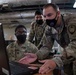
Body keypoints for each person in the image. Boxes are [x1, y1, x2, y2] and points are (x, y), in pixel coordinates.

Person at [26, 3, 75, 75]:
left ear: (58, 13)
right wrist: (37, 56)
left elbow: (74, 45)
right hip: (68, 59)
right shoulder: (49, 29)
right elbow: (46, 47)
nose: (47, 19)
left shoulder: (72, 21)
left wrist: (55, 61)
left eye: (49, 15)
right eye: (45, 16)